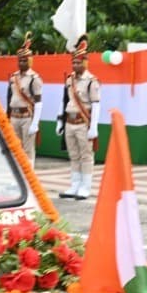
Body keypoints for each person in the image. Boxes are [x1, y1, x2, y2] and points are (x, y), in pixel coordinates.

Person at [60, 34, 100, 199]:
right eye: (73, 62)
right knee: (73, 154)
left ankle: (85, 186)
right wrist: (60, 121)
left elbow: (96, 104)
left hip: (83, 122)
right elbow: (65, 100)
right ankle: (74, 185)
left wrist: (94, 127)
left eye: (78, 62)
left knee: (86, 155)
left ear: (85, 62)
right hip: (70, 121)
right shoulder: (70, 80)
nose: (75, 65)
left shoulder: (91, 81)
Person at [6, 33, 43, 165]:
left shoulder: (34, 79)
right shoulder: (13, 77)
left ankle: (28, 176)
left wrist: (35, 123)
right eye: (20, 60)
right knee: (15, 148)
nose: (21, 63)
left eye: (24, 60)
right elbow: (9, 98)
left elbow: (38, 102)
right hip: (14, 116)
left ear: (30, 61)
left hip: (27, 117)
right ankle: (17, 176)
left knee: (27, 149)